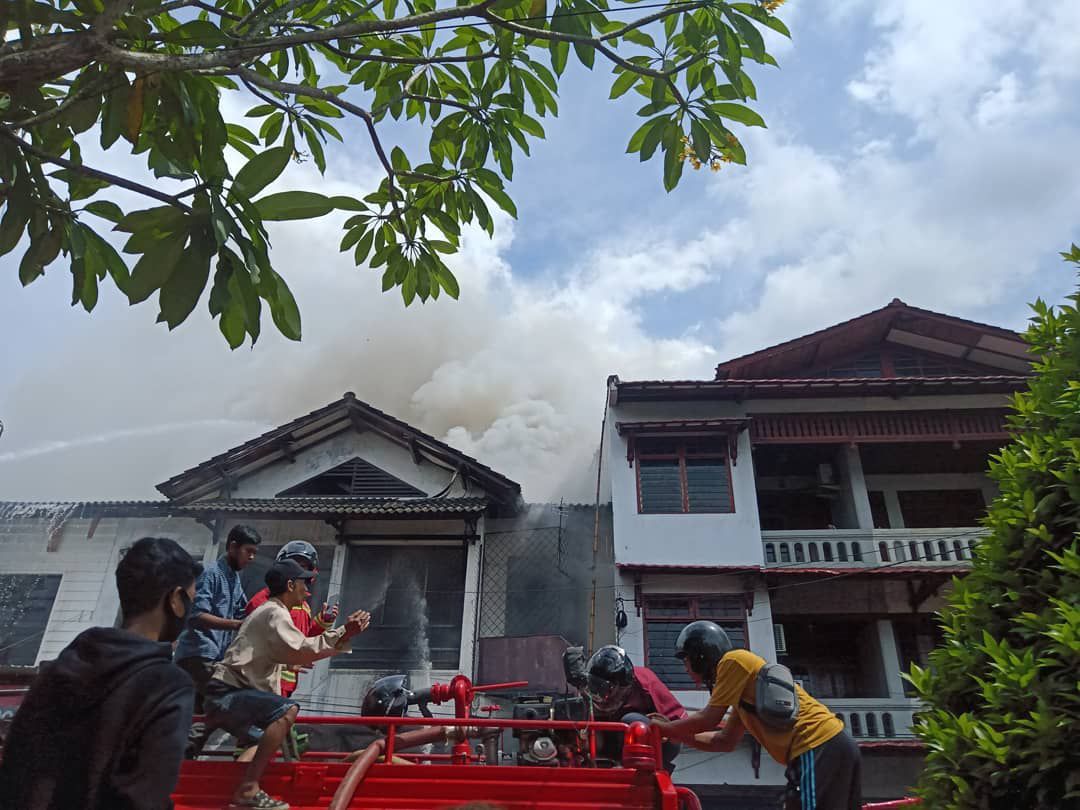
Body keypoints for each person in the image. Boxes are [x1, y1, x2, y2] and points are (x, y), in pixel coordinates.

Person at [0, 537, 202, 810]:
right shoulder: (167, 685)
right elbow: (145, 796)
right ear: (176, 600)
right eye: (191, 599)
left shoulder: (60, 667)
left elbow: (16, 764)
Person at [204, 559, 370, 810]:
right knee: (287, 710)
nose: (309, 591)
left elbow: (293, 652)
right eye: (305, 583)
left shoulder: (272, 612)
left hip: (229, 694)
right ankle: (248, 790)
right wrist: (344, 632)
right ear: (290, 585)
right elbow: (302, 648)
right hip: (230, 693)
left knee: (262, 739)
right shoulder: (275, 612)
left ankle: (233, 791)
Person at [649, 621, 862, 810]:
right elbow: (724, 741)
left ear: (700, 655)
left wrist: (664, 728)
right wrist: (678, 735)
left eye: (686, 661)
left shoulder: (732, 661)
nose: (685, 669)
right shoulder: (744, 693)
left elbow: (709, 719)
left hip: (816, 744)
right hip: (833, 744)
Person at [174, 525, 261, 700]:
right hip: (198, 656)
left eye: (254, 552)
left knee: (201, 715)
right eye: (248, 551)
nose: (251, 557)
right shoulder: (211, 573)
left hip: (214, 658)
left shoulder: (234, 578)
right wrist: (237, 625)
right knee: (227, 703)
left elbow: (242, 611)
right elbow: (196, 617)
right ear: (233, 547)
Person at [244, 540, 338, 699]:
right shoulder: (263, 601)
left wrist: (323, 620)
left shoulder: (302, 602)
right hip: (264, 681)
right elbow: (254, 646)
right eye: (293, 565)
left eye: (303, 567)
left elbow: (302, 637)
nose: (298, 571)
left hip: (286, 684)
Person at [577, 645, 686, 772]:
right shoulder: (585, 691)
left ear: (624, 687)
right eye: (596, 686)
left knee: (633, 721)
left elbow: (680, 725)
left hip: (651, 742)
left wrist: (662, 728)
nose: (601, 696)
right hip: (612, 738)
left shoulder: (646, 683)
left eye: (608, 690)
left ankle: (638, 766)